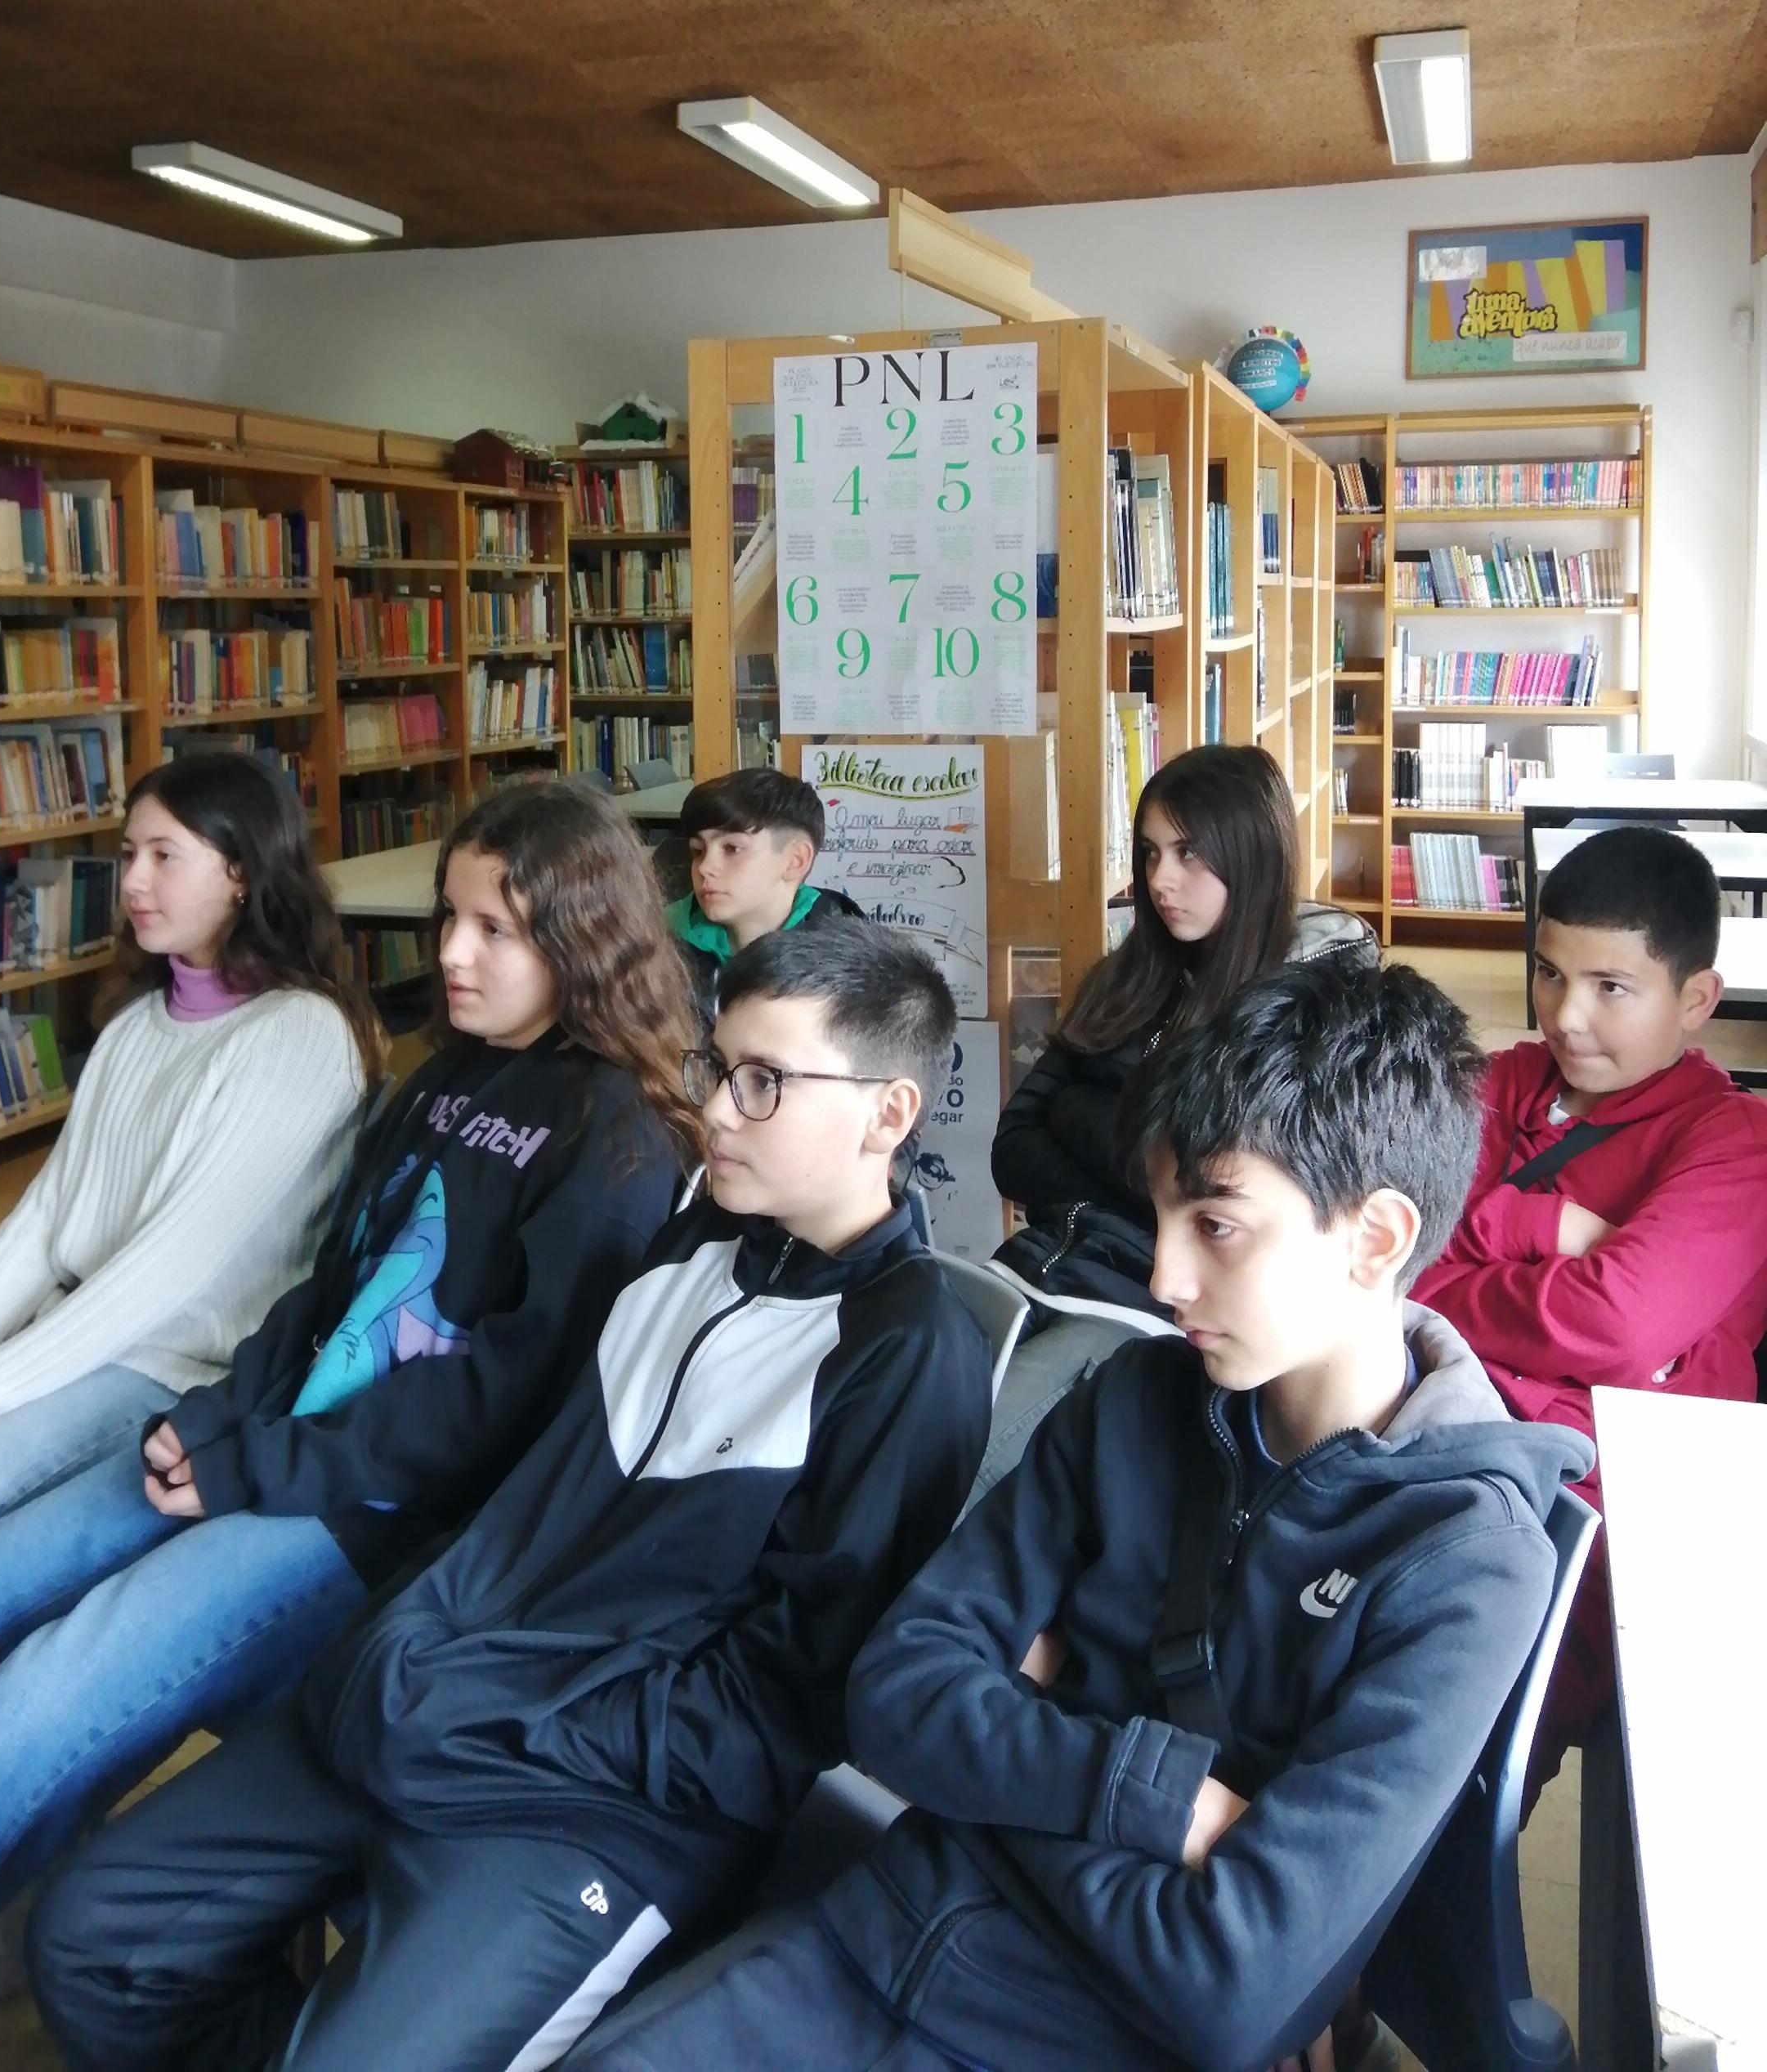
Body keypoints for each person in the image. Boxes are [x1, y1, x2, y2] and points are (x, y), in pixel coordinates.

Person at [0, 777, 701, 2071]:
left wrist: (254, 1462)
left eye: (493, 930)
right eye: (449, 917)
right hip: (263, 1447)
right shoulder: (444, 1074)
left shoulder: (616, 1137)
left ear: (583, 934)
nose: (450, 952)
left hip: (359, 1517)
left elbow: (484, 1410)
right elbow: (325, 1290)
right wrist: (219, 1421)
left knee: (25, 1715)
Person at [582, 958, 1591, 2072]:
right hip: (865, 1944)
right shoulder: (1134, 1399)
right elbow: (890, 1694)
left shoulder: (1465, 1555)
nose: (1160, 1274)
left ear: (1376, 1236)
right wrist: (1163, 1802)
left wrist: (1003, 1756)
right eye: (1158, 1212)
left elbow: (1230, 1988)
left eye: (1216, 1223)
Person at [26, 920, 995, 2072]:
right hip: (426, 1687)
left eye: (765, 1081)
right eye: (717, 1066)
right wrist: (419, 1645)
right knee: (87, 1939)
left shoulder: (907, 1352)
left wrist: (506, 1715)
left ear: (887, 1113)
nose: (721, 1108)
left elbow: (785, 1708)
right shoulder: (696, 1232)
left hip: (596, 1806)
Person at [0, 753, 381, 1782]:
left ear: (241, 871)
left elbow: (163, 1276)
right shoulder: (139, 1026)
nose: (131, 881)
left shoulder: (300, 1037)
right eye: (126, 853)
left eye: (162, 856)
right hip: (73, 1330)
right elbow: (44, 1223)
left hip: (171, 1365)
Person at [1414, 824, 1767, 1790]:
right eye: (1549, 973)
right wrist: (1552, 1230)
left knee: (1448, 1763)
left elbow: (1619, 1325)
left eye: (1611, 987)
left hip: (1586, 1518)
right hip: (1426, 1448)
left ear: (1697, 1000)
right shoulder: (1506, 1081)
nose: (1566, 1016)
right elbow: (1400, 1264)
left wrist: (1468, 1253)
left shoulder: (1734, 1143)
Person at [974, 744, 1374, 1502]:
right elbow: (1012, 1149)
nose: (1160, 879)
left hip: (1146, 1303)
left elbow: (1208, 1191)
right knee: (885, 1413)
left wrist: (1080, 1115)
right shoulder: (1121, 980)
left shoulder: (1283, 1016)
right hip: (1032, 1267)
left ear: (1251, 854)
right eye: (1152, 851)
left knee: (971, 1466)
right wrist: (1141, 1155)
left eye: (1190, 853)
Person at [666, 768, 862, 1027]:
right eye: (698, 851)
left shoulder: (853, 960)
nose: (704, 868)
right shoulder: (654, 941)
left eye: (732, 848)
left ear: (795, 861)